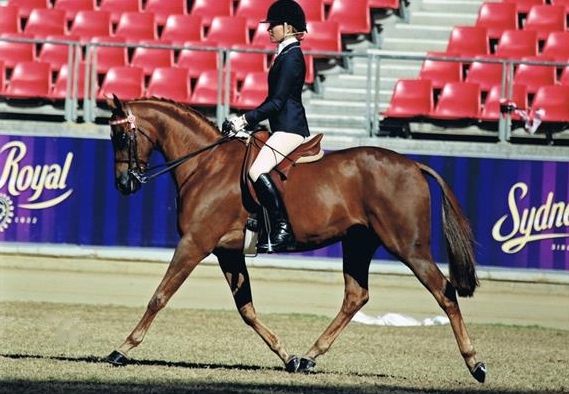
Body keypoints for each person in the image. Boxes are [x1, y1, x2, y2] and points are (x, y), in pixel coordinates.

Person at [223, 0, 310, 252]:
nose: (269, 29)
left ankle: (282, 228)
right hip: (281, 125)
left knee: (256, 169)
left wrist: (244, 119)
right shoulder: (284, 54)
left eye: (274, 25)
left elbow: (278, 102)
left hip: (290, 129)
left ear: (288, 27)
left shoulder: (292, 57)